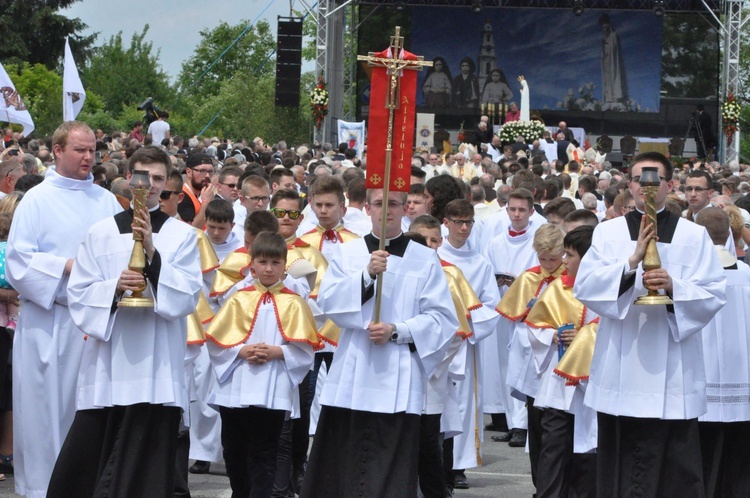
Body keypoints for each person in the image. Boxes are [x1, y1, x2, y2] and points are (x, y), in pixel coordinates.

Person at [44, 145, 202, 496]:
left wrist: (152, 255)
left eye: (159, 178)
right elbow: (80, 295)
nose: (151, 184)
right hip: (106, 368)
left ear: (168, 184)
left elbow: (188, 296)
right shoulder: (99, 233)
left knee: (147, 473)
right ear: (129, 179)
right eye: (144, 176)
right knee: (86, 464)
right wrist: (113, 288)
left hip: (157, 368)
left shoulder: (183, 236)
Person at [574, 152, 726, 497]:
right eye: (640, 179)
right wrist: (629, 266)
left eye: (655, 180)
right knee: (619, 462)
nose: (647, 187)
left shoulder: (693, 235)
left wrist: (674, 286)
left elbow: (714, 293)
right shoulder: (608, 232)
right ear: (628, 184)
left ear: (669, 185)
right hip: (621, 363)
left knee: (675, 467)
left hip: (674, 371)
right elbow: (585, 286)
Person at [301, 188, 458, 498]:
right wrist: (366, 276)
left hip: (398, 374)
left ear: (404, 210)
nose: (386, 211)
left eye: (394, 205)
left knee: (392, 464)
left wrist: (396, 330)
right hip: (354, 369)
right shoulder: (348, 253)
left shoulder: (425, 259)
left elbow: (443, 320)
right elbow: (328, 303)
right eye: (378, 204)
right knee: (344, 462)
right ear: (367, 209)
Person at [6, 121, 122, 498]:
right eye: (80, 150)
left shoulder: (105, 201)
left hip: (96, 325)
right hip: (50, 321)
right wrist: (68, 266)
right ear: (57, 151)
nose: (89, 157)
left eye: (92, 150)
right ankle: (42, 488)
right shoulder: (37, 200)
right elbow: (18, 264)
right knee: (45, 414)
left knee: (87, 413)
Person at [206, 231, 320, 497]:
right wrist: (242, 351)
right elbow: (215, 341)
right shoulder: (237, 297)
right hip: (236, 385)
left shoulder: (294, 301)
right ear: (252, 264)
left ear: (284, 265)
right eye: (263, 262)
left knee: (265, 451)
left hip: (273, 386)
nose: (269, 269)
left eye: (275, 263)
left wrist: (277, 351)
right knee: (233, 450)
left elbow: (305, 351)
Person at [526, 226, 598, 498]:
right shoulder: (559, 287)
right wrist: (552, 335)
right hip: (558, 386)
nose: (564, 261)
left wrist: (584, 337)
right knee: (553, 448)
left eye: (570, 255)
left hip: (591, 387)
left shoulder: (608, 292)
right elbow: (535, 325)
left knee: (587, 454)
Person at [494, 223, 566, 493]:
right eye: (542, 258)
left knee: (557, 431)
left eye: (554, 259)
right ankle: (541, 484)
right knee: (536, 429)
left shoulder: (571, 280)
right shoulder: (528, 279)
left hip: (561, 362)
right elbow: (517, 320)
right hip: (533, 363)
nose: (548, 265)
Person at [436, 199, 501, 490]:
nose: (463, 228)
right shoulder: (433, 255)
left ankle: (458, 465)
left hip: (464, 342)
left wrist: (468, 321)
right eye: (458, 222)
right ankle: (432, 459)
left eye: (468, 222)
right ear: (445, 222)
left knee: (463, 404)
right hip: (434, 339)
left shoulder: (480, 262)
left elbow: (491, 305)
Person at [694, 207, 750, 497]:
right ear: (729, 233)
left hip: (702, 377)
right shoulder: (747, 275)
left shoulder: (693, 278)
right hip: (742, 378)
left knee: (702, 459)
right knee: (738, 460)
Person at [599, 14, 628, 109]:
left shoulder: (613, 35)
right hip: (606, 63)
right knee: (607, 78)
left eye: (606, 27)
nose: (604, 29)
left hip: (612, 63)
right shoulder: (604, 40)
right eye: (603, 27)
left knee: (614, 75)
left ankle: (616, 97)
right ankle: (609, 98)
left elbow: (614, 50)